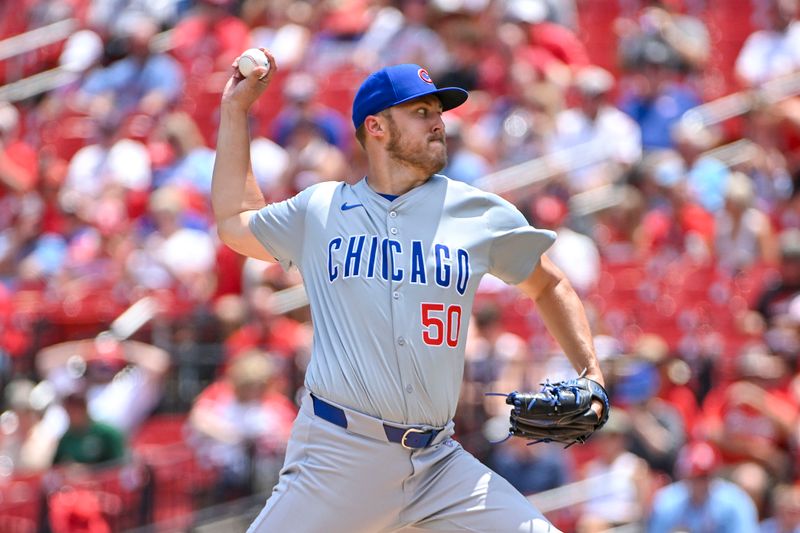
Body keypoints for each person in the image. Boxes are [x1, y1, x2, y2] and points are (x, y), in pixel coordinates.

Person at [211, 51, 606, 532]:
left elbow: (550, 282)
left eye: (438, 112)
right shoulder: (322, 209)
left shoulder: (477, 211)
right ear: (375, 127)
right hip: (338, 458)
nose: (437, 123)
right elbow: (236, 222)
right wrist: (236, 111)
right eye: (421, 112)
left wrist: (591, 375)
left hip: (438, 463)